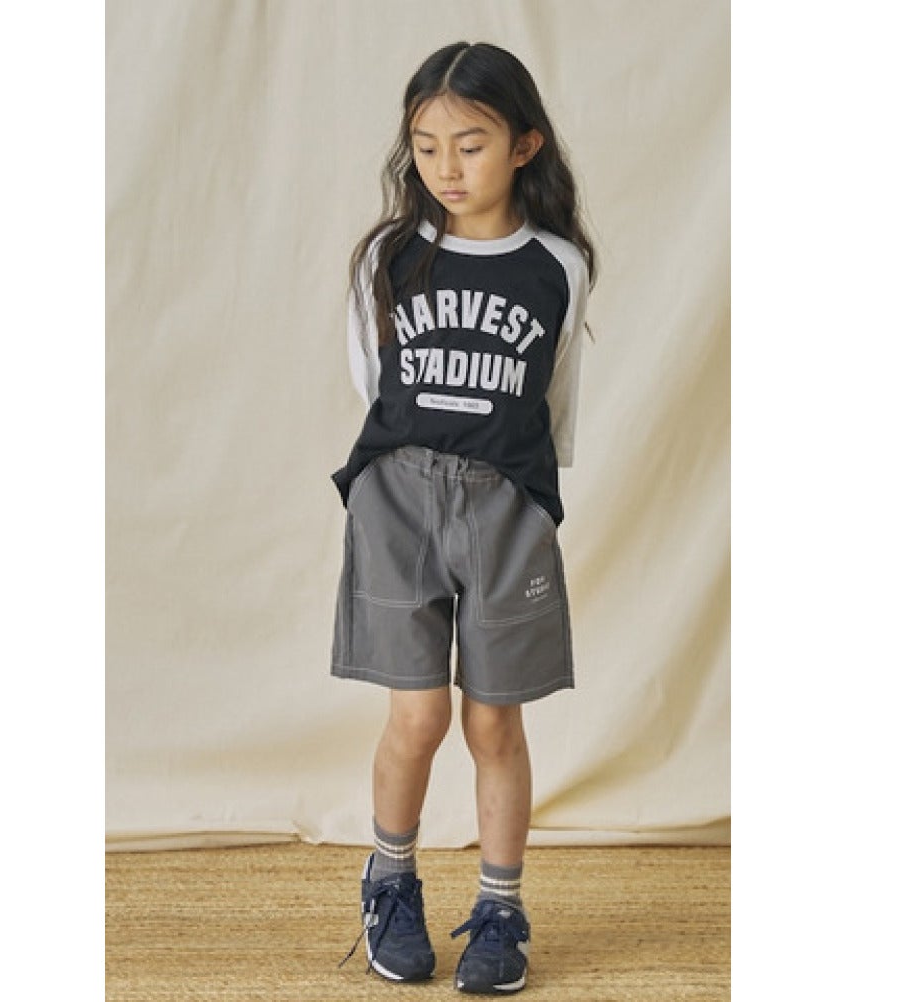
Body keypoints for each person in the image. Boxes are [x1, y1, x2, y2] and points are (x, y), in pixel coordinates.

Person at [331, 40, 596, 994]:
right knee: (419, 715)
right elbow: (373, 381)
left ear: (524, 145)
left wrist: (519, 495)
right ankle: (390, 883)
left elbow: (555, 398)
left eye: (471, 145)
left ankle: (500, 908)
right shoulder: (390, 255)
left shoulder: (557, 265)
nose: (447, 167)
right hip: (399, 498)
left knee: (494, 723)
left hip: (506, 505)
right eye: (427, 145)